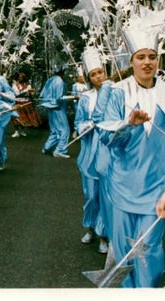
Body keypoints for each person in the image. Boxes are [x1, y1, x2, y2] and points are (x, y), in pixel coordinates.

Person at [99, 29, 165, 288]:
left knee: (148, 247)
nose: (147, 62)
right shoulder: (117, 91)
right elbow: (107, 138)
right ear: (131, 61)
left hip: (157, 184)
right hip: (123, 183)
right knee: (124, 248)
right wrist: (128, 123)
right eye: (141, 57)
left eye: (152, 56)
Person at [74, 49, 111, 255]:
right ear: (89, 78)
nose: (98, 77)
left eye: (100, 72)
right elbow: (78, 121)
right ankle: (90, 226)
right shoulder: (85, 98)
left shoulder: (115, 93)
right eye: (93, 74)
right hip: (89, 150)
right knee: (91, 194)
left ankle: (103, 234)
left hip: (108, 149)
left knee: (106, 194)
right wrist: (84, 127)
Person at [39, 68, 71, 158]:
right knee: (65, 130)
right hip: (58, 108)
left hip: (50, 108)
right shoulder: (59, 81)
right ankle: (60, 150)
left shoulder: (50, 79)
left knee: (54, 130)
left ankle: (47, 147)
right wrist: (72, 97)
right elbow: (59, 98)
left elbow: (42, 94)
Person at [11, 71, 39, 137]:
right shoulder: (14, 85)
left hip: (25, 103)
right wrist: (25, 92)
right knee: (16, 118)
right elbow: (16, 94)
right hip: (17, 103)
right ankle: (16, 131)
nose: (20, 78)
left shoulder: (28, 85)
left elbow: (30, 94)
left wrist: (31, 93)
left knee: (23, 119)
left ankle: (22, 131)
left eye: (22, 77)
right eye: (19, 77)